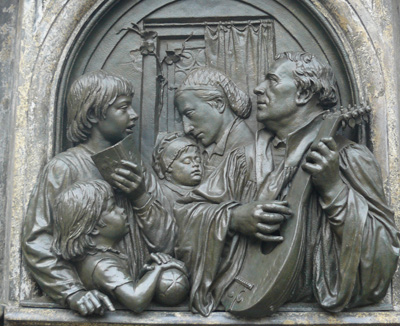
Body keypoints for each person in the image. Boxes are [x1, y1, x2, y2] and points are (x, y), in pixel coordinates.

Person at [174, 52, 400, 316]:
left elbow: (383, 258)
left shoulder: (348, 159)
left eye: (271, 80)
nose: (258, 88)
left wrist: (333, 190)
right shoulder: (244, 158)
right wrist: (233, 217)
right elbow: (186, 214)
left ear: (303, 94)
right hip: (244, 294)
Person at [22, 70, 176, 316]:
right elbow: (38, 240)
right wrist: (72, 292)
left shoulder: (137, 168)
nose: (133, 115)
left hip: (141, 298)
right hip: (99, 302)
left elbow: (166, 243)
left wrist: (140, 196)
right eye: (123, 108)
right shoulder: (64, 168)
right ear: (94, 114)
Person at [53, 180, 186, 314]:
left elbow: (123, 285)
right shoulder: (103, 265)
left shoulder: (101, 256)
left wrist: (147, 271)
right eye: (112, 208)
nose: (121, 210)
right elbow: (136, 300)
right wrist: (158, 269)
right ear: (93, 228)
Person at [174, 67, 254, 177]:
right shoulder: (210, 151)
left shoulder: (245, 155)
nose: (187, 128)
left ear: (218, 103)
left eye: (189, 114)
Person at [152, 132, 202, 203]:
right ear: (168, 167)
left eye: (197, 159)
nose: (195, 164)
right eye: (187, 161)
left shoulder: (206, 192)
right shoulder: (161, 194)